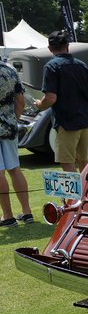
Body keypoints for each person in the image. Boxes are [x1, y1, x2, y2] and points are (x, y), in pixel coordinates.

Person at [33, 30, 88, 173]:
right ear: (67, 46)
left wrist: (40, 105)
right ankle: (85, 194)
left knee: (66, 162)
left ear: (50, 48)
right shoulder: (81, 65)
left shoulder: (51, 67)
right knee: (83, 160)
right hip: (85, 120)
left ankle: (75, 196)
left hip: (66, 122)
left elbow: (51, 98)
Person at [0, 60, 33, 227]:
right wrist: (14, 120)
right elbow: (21, 101)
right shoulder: (10, 70)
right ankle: (27, 212)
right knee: (15, 169)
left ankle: (8, 216)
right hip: (9, 127)